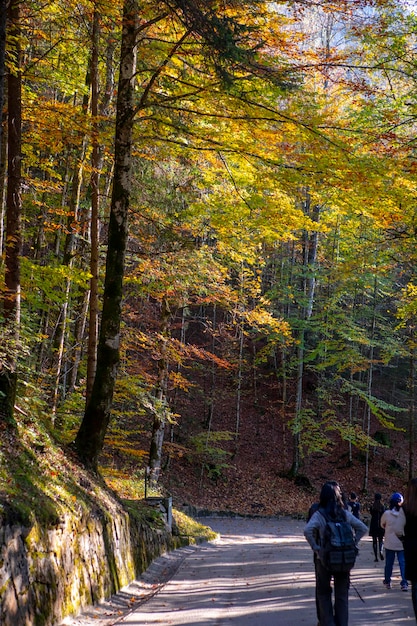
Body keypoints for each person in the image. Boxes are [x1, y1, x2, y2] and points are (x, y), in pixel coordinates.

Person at [304, 481, 367, 626]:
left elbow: (307, 530)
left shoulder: (320, 514)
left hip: (324, 559)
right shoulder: (344, 514)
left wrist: (316, 547)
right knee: (342, 595)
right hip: (344, 559)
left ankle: (328, 623)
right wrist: (353, 543)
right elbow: (362, 528)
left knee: (324, 593)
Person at [380, 492, 407, 591]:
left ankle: (387, 581)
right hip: (401, 542)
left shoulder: (387, 514)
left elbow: (382, 524)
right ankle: (404, 583)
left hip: (389, 543)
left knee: (389, 563)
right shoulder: (404, 514)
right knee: (403, 563)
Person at [403, 478, 417, 620]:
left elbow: (397, 529)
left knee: (415, 585)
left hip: (411, 549)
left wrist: (404, 538)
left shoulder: (405, 509)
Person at [369, 493, 385, 562]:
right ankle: (381, 551)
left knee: (374, 540)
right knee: (381, 539)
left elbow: (371, 513)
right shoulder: (382, 506)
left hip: (374, 524)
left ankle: (376, 557)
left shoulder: (372, 506)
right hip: (380, 524)